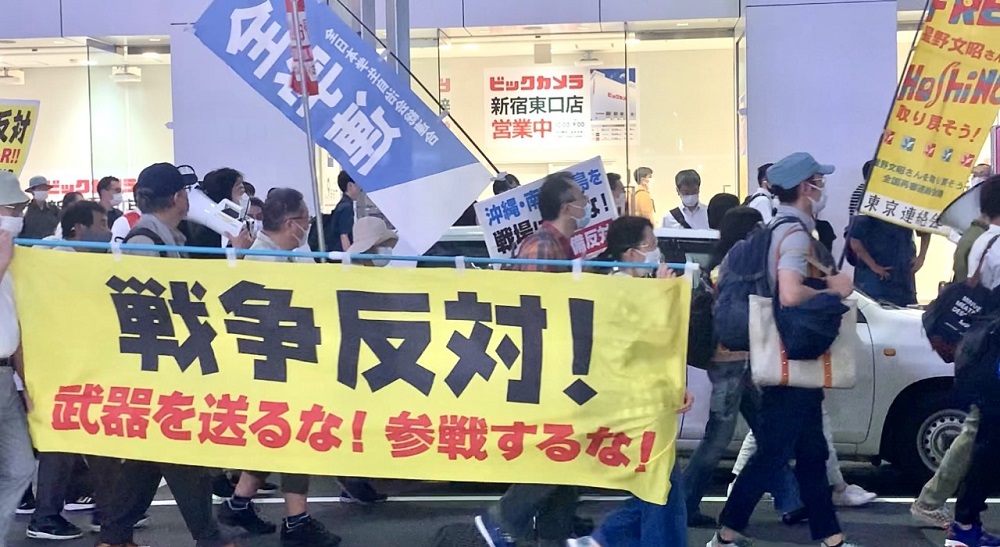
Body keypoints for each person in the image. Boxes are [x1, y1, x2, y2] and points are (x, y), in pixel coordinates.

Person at [709, 152, 862, 547]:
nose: (822, 187)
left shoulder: (783, 227)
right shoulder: (793, 233)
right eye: (818, 180)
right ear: (804, 187)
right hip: (790, 354)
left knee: (809, 450)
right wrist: (835, 287)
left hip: (791, 356)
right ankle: (726, 533)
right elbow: (790, 294)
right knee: (773, 452)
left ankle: (830, 537)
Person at [96, 162, 235, 547]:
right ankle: (209, 538)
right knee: (178, 450)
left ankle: (114, 535)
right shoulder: (146, 241)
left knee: (147, 457)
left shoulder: (164, 236)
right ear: (177, 197)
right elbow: (144, 306)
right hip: (160, 365)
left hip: (165, 362)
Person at [220, 188, 341, 547]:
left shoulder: (279, 256)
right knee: (295, 439)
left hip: (277, 366)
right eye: (306, 220)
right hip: (278, 367)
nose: (307, 227)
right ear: (292, 223)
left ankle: (240, 503)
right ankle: (296, 520)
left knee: (273, 437)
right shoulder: (267, 262)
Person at [477, 173, 589, 547]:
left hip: (560, 366)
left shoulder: (561, 246)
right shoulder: (542, 246)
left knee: (568, 461)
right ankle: (502, 518)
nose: (586, 205)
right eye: (580, 199)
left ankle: (552, 536)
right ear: (564, 206)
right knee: (557, 452)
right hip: (546, 370)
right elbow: (532, 313)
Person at [568, 215, 692, 547]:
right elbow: (643, 341)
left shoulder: (634, 284)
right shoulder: (622, 287)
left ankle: (603, 540)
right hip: (636, 403)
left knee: (664, 485)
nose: (656, 251)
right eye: (650, 245)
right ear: (629, 252)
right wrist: (664, 295)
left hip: (651, 397)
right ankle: (605, 538)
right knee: (658, 485)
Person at [685, 206, 807, 528]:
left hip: (745, 364)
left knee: (770, 437)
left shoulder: (725, 263)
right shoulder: (736, 266)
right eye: (757, 228)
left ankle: (791, 502)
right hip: (732, 365)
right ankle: (684, 504)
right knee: (717, 442)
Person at [25, 200, 111, 540]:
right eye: (102, 222)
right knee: (62, 443)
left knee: (96, 441)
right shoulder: (49, 259)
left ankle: (107, 511)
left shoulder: (84, 260)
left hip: (83, 368)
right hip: (56, 370)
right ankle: (47, 515)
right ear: (79, 229)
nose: (108, 230)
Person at [944, 176, 1000, 547]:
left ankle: (965, 523)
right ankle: (964, 524)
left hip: (979, 350)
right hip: (995, 354)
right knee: (990, 442)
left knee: (988, 437)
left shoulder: (982, 240)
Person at [0, 170, 43, 544]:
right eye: (11, 208)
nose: (18, 215)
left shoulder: (13, 256)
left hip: (4, 378)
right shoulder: (6, 256)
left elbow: (14, 329)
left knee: (21, 467)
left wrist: (25, 382)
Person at [849, 212, 930, 307]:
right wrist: (874, 266)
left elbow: (925, 230)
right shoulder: (870, 210)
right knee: (873, 308)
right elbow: (855, 241)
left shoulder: (907, 206)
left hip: (903, 275)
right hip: (873, 279)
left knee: (905, 310)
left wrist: (921, 257)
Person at [184, 167, 252, 253]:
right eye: (240, 191)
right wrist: (238, 253)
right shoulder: (204, 230)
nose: (245, 197)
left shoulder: (235, 224)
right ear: (224, 194)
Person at [326, 170, 360, 252]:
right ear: (350, 186)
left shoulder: (342, 204)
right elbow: (344, 235)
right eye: (357, 184)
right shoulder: (347, 207)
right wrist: (349, 257)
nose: (360, 188)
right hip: (340, 253)